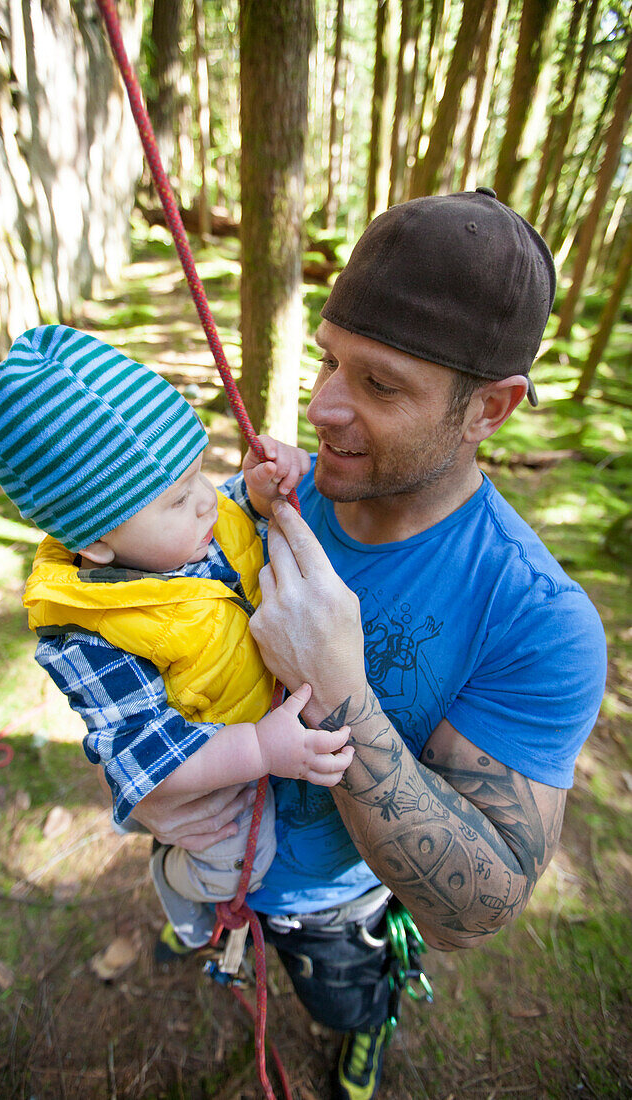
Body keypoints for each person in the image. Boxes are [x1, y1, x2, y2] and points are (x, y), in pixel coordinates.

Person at [132, 190, 607, 1100]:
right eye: (328, 362)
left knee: (340, 999)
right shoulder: (278, 498)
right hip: (217, 856)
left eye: (380, 385)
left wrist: (338, 690)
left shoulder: (535, 620)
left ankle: (363, 1032)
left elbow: (478, 905)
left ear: (490, 408)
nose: (320, 407)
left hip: (331, 904)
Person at [0, 324, 353, 949]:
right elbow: (142, 759)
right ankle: (180, 884)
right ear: (96, 544)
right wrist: (259, 750)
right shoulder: (91, 633)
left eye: (200, 472)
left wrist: (256, 496)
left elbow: (228, 510)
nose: (207, 501)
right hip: (214, 768)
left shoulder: (185, 529)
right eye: (178, 499)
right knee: (242, 862)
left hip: (259, 724)